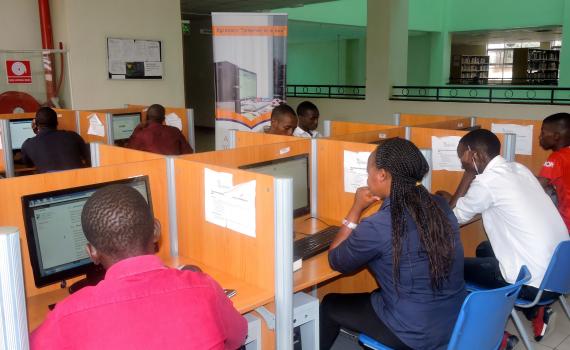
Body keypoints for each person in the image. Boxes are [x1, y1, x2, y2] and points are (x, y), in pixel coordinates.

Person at [30, 184, 247, 350]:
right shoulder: (204, 288)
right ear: (156, 230)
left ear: (92, 252)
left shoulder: (66, 317)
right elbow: (239, 335)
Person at [321, 138, 466, 350]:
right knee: (376, 296)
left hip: (415, 333)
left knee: (330, 304)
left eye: (368, 170)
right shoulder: (439, 205)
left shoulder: (379, 225)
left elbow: (336, 259)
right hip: (455, 320)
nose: (367, 176)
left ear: (381, 174)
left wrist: (356, 208)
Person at [442, 129, 568, 344]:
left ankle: (493, 337)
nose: (461, 162)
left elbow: (452, 218)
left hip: (533, 284)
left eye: (462, 155)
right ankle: (535, 312)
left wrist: (466, 177)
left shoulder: (487, 183)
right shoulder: (519, 169)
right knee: (484, 248)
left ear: (475, 155)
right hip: (559, 274)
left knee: (448, 268)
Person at [21, 107, 90, 173]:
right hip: (79, 182)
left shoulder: (28, 144)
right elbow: (88, 159)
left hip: (52, 184)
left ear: (35, 124)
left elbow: (29, 164)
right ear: (57, 122)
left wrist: (37, 133)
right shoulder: (73, 136)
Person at [538, 113, 570, 231]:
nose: (540, 136)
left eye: (543, 132)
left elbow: (537, 186)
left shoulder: (557, 157)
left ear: (556, 136)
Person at [128, 104, 193, 155]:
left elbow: (129, 152)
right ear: (164, 119)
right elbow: (189, 152)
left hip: (152, 169)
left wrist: (137, 129)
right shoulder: (175, 131)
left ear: (146, 117)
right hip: (173, 168)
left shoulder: (140, 135)